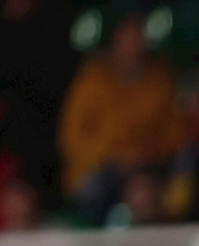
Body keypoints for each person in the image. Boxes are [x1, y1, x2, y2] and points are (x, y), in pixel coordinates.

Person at [57, 14, 184, 211]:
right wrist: (112, 155)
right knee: (92, 190)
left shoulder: (159, 81)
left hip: (144, 167)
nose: (133, 47)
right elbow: (71, 136)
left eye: (138, 39)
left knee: (145, 192)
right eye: (127, 39)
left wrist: (141, 155)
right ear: (115, 42)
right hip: (96, 167)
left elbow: (173, 137)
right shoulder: (92, 79)